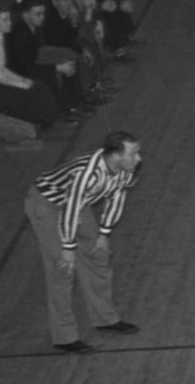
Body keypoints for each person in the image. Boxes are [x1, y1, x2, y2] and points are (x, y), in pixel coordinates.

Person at [25, 131, 145, 353]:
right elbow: (69, 210)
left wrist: (103, 234)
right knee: (62, 269)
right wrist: (68, 247)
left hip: (79, 203)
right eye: (134, 154)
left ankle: (105, 319)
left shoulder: (125, 170)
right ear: (116, 156)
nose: (138, 159)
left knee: (98, 255)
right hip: (48, 204)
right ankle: (64, 336)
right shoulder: (86, 174)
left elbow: (117, 200)